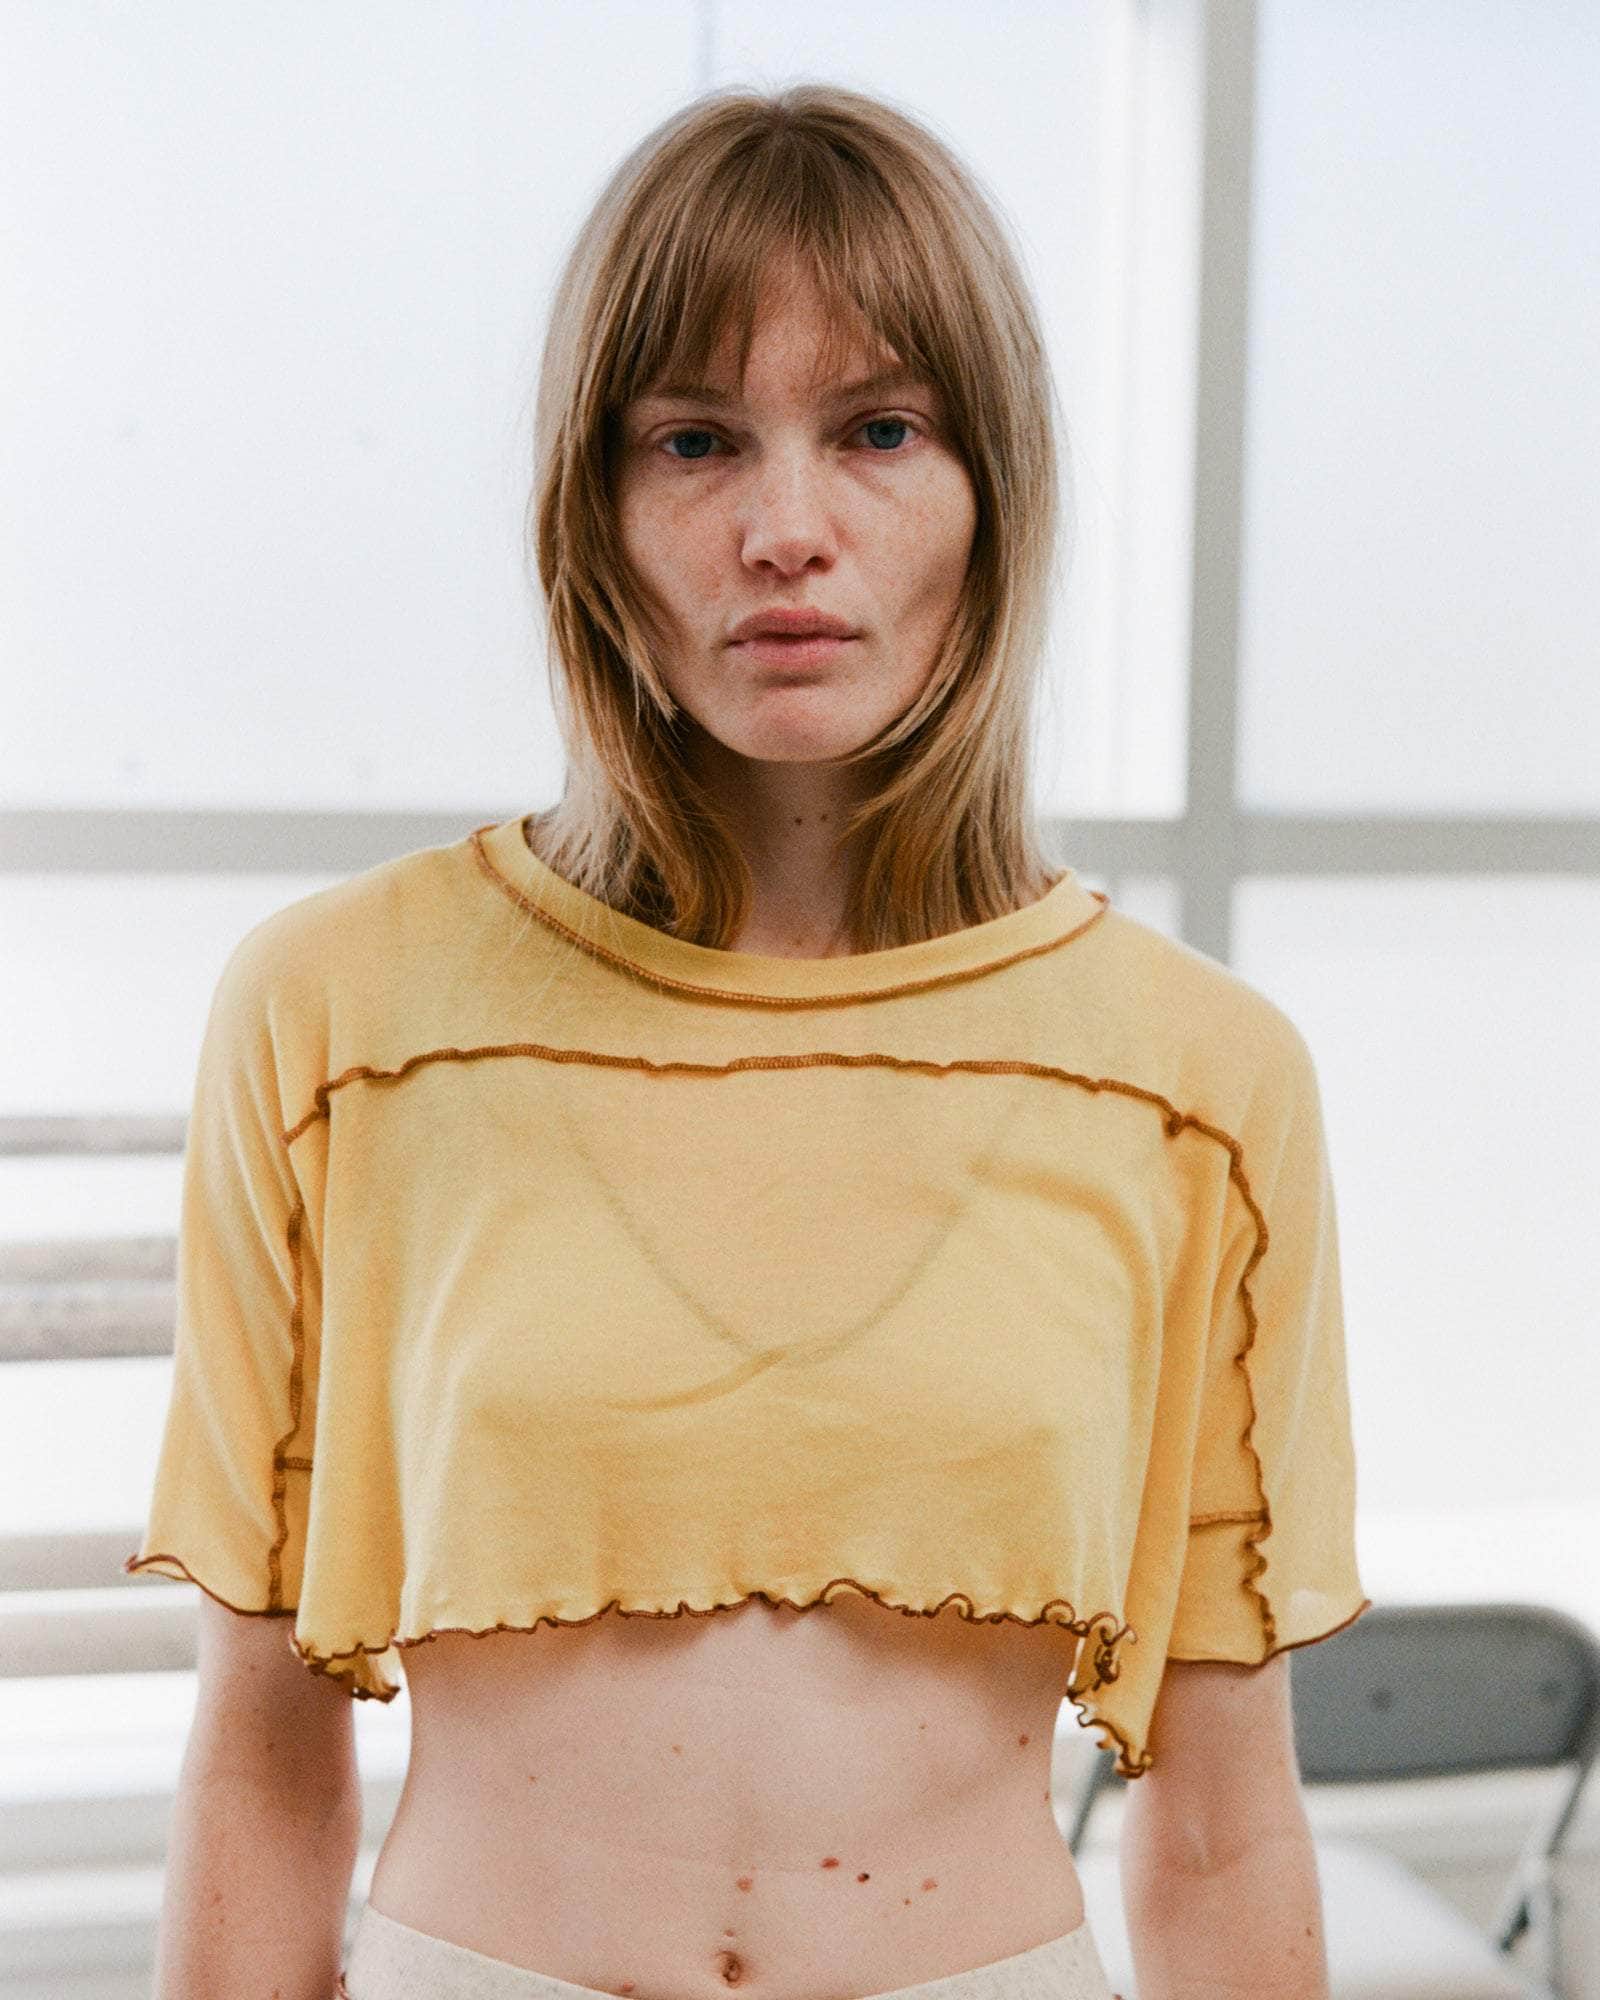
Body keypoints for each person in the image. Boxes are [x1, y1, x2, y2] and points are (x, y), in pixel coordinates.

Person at [127, 84, 1369, 2000]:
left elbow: (1221, 1823)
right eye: (695, 440)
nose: (788, 531)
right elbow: (258, 1763)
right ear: (595, 506)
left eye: (880, 431)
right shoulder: (334, 1014)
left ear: (994, 492)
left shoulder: (1199, 1076)